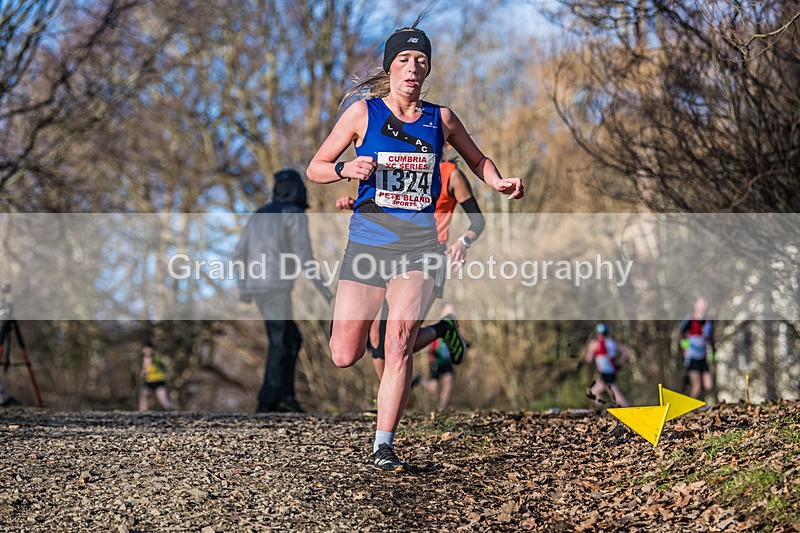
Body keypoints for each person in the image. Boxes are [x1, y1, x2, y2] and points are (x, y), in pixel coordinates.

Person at [307, 20, 523, 472]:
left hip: (420, 247)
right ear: (390, 67)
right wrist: (347, 170)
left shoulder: (440, 118)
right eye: (404, 60)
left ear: (427, 70)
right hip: (368, 242)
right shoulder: (363, 114)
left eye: (421, 61)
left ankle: (383, 445)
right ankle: (383, 425)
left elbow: (477, 158)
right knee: (345, 353)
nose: (413, 68)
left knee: (399, 342)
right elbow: (317, 167)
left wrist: (498, 180)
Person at [334, 157, 484, 384]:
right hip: (393, 252)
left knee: (400, 337)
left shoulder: (450, 174)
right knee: (377, 337)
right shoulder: (401, 164)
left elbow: (478, 220)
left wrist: (463, 242)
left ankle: (444, 328)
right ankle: (388, 401)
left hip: (431, 255)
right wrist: (357, 204)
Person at [233, 169, 333, 413]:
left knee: (291, 338)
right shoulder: (294, 213)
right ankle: (267, 401)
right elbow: (304, 256)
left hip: (259, 286)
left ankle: (286, 396)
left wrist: (245, 287)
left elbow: (238, 254)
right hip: (275, 285)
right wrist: (326, 291)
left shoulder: (259, 213)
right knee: (279, 341)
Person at [677, 297, 716, 400]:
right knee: (697, 386)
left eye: (705, 304)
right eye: (701, 304)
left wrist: (713, 352)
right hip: (692, 356)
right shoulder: (689, 319)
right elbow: (679, 334)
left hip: (702, 357)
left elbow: (711, 338)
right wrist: (683, 343)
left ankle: (698, 404)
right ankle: (689, 408)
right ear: (695, 305)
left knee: (709, 385)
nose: (704, 306)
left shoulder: (709, 321)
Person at [585, 323, 630, 409]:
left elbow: (588, 359)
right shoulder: (612, 342)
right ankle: (602, 409)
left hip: (606, 372)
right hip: (610, 371)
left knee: (614, 394)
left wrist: (590, 351)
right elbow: (626, 352)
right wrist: (619, 363)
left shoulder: (595, 344)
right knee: (594, 391)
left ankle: (626, 409)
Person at [139, 341, 174, 411]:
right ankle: (144, 410)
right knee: (145, 393)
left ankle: (170, 409)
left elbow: (148, 367)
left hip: (156, 379)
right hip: (153, 379)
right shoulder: (152, 357)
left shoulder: (153, 357)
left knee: (160, 396)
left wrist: (143, 372)